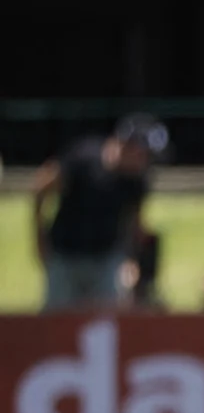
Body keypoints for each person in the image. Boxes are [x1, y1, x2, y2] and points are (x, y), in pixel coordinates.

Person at [33, 113, 168, 312]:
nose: (146, 161)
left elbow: (134, 222)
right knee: (56, 323)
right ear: (127, 145)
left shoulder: (137, 181)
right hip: (65, 256)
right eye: (144, 154)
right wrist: (39, 238)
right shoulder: (83, 158)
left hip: (106, 259)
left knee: (107, 322)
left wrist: (132, 262)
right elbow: (41, 188)